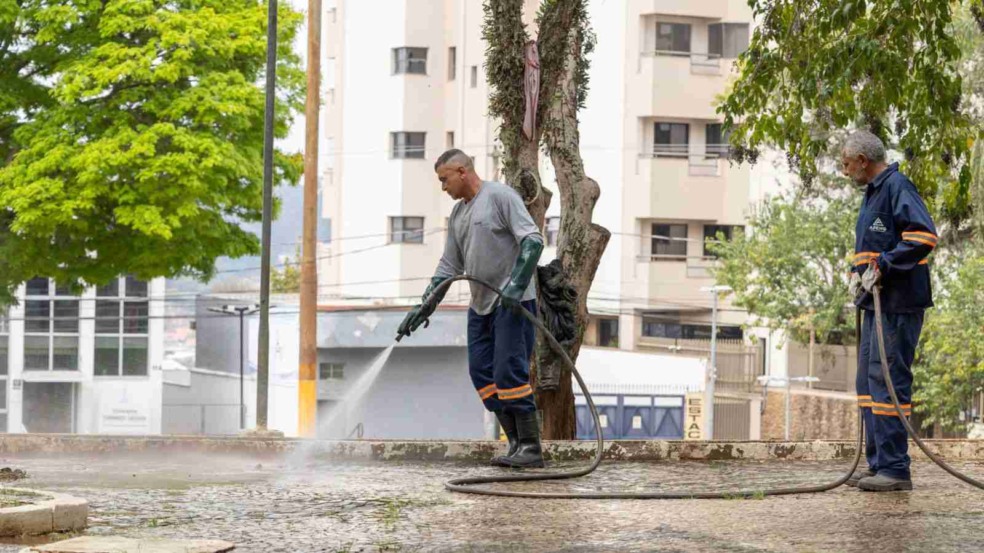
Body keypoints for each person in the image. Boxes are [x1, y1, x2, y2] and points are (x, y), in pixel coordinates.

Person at [396, 149, 546, 468]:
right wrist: (424, 306)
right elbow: (450, 265)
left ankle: (532, 447)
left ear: (462, 172)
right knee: (482, 373)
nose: (443, 187)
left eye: (444, 179)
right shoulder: (459, 215)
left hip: (512, 302)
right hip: (480, 306)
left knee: (509, 372)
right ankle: (516, 442)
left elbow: (533, 241)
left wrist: (516, 285)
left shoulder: (500, 197)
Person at [842, 130, 937, 492]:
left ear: (863, 160)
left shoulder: (898, 187)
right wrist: (857, 274)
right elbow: (870, 248)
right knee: (867, 383)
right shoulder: (873, 194)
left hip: (897, 305)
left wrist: (884, 264)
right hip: (874, 305)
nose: (845, 170)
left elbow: (923, 236)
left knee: (889, 381)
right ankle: (877, 463)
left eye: (847, 163)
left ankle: (896, 469)